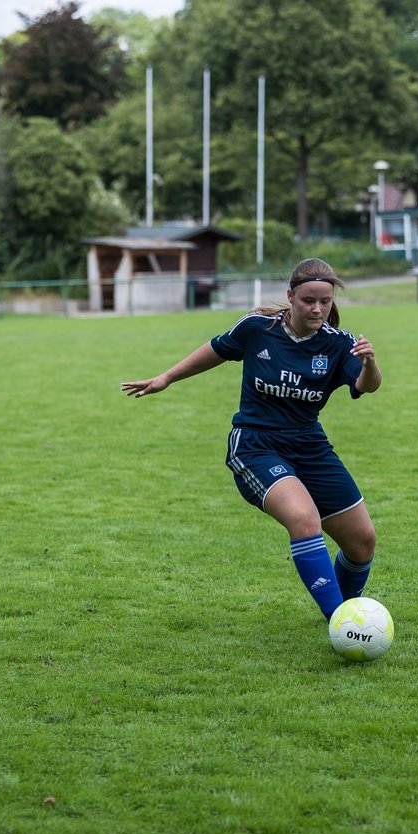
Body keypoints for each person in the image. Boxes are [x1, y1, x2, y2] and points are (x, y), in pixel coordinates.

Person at [121, 258, 382, 628]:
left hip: (310, 445)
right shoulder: (258, 328)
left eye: (325, 301)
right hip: (255, 445)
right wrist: (166, 377)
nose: (317, 309)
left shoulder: (340, 344)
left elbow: (365, 386)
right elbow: (216, 349)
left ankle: (347, 613)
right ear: (291, 296)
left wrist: (370, 363)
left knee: (361, 542)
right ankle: (341, 620)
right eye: (308, 300)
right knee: (304, 519)